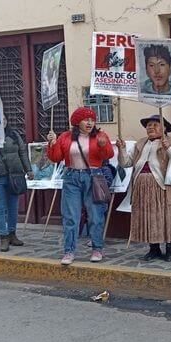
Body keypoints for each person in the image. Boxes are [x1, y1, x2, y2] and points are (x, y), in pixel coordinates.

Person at [47, 107, 114, 265]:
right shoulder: (66, 136)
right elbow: (55, 158)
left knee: (95, 215)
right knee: (71, 216)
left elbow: (108, 156)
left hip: (93, 176)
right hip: (71, 177)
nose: (90, 122)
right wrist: (52, 143)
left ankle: (97, 248)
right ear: (77, 122)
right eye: (86, 119)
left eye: (92, 120)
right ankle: (69, 251)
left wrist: (104, 145)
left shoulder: (100, 136)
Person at [117, 115, 171, 261]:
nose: (151, 127)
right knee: (149, 217)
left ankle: (170, 250)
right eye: (149, 125)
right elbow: (126, 163)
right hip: (142, 188)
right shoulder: (140, 144)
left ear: (165, 128)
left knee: (167, 216)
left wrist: (168, 148)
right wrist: (122, 149)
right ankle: (154, 249)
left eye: (155, 125)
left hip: (164, 187)